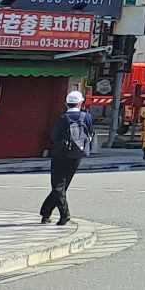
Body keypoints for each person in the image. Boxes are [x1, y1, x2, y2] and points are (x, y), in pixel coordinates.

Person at [41, 89, 93, 226]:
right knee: (63, 186)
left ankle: (64, 215)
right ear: (81, 103)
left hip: (60, 154)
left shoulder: (62, 118)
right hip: (77, 154)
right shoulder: (86, 117)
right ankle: (46, 212)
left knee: (58, 185)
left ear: (66, 104)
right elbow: (90, 133)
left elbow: (54, 136)